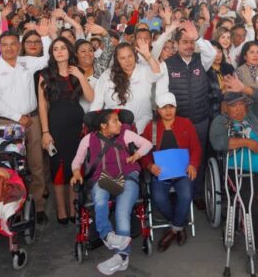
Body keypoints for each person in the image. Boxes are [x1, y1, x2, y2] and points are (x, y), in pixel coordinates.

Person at [71, 109, 152, 275]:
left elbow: (147, 144)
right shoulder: (88, 139)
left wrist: (136, 155)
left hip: (127, 176)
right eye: (115, 121)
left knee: (122, 211)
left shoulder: (126, 134)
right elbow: (77, 160)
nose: (120, 123)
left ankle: (122, 256)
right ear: (103, 125)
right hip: (104, 178)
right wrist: (76, 172)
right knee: (100, 199)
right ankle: (107, 235)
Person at [0, 26, 52, 224]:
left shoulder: (26, 62)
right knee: (12, 166)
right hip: (9, 123)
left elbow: (47, 59)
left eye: (13, 44)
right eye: (5, 45)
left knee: (36, 164)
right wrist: (17, 116)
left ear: (19, 45)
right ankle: (14, 209)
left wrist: (45, 36)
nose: (9, 48)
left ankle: (39, 206)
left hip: (33, 120)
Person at [209, 75, 258, 268]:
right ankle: (254, 248)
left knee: (252, 195)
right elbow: (218, 142)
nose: (238, 109)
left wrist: (243, 88)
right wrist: (247, 142)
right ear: (225, 107)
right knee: (248, 200)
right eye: (233, 106)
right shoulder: (221, 121)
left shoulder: (254, 114)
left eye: (241, 104)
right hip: (239, 172)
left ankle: (245, 221)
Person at [157, 20, 215, 209]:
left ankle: (197, 193)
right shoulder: (167, 65)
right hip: (178, 122)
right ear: (176, 44)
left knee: (198, 158)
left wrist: (198, 37)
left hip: (200, 119)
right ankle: (180, 194)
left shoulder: (201, 60)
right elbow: (162, 94)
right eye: (185, 42)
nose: (189, 46)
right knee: (179, 157)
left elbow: (212, 53)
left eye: (191, 42)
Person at [38, 38, 93, 223]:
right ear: (52, 53)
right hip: (55, 127)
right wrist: (45, 132)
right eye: (56, 49)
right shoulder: (45, 74)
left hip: (77, 127)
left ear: (69, 51)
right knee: (58, 168)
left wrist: (80, 75)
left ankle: (74, 207)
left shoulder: (77, 72)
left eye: (63, 48)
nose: (60, 51)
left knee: (74, 166)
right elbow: (42, 106)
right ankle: (61, 210)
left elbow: (90, 97)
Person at [141, 93, 202, 252]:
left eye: (171, 107)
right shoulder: (151, 127)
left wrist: (193, 164)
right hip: (162, 173)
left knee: (186, 195)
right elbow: (144, 152)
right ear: (158, 110)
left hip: (182, 171)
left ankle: (173, 230)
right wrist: (149, 166)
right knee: (158, 198)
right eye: (164, 108)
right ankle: (180, 224)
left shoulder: (186, 123)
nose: (168, 111)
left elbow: (196, 148)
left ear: (176, 108)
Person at [91, 40, 162, 133]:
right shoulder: (107, 75)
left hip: (141, 126)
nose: (127, 61)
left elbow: (157, 74)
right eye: (122, 58)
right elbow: (97, 101)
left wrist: (148, 56)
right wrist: (92, 122)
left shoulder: (144, 70)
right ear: (117, 60)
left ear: (134, 56)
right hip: (114, 128)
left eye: (130, 56)